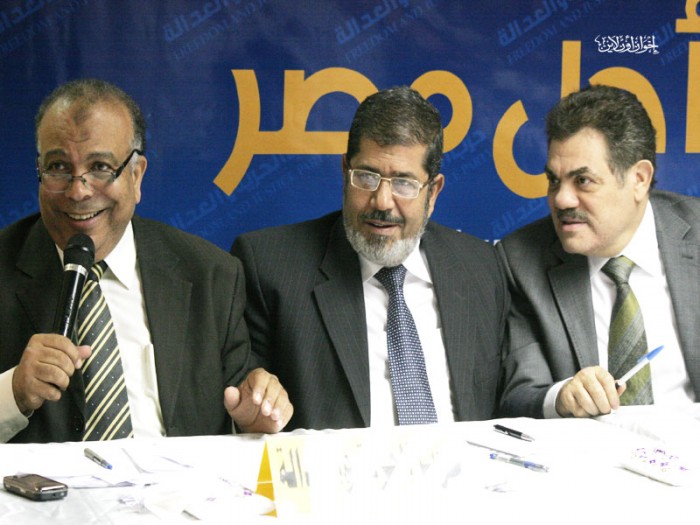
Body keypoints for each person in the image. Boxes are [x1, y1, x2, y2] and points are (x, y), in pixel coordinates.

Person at [0, 78, 293, 443]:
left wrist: (251, 421)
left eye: (101, 167)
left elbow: (240, 406)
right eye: (58, 167)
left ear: (136, 175)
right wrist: (12, 392)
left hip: (178, 480)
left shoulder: (210, 274)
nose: (78, 190)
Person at [230, 86, 509, 430]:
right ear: (344, 172)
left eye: (404, 183)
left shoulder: (481, 267)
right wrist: (256, 409)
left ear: (433, 192)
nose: (382, 201)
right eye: (366, 177)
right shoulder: (270, 267)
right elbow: (248, 396)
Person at [497, 84, 700, 419]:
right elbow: (518, 394)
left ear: (639, 179)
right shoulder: (521, 260)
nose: (561, 199)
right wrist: (561, 397)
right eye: (554, 180)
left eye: (583, 181)